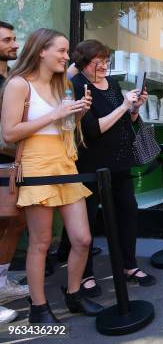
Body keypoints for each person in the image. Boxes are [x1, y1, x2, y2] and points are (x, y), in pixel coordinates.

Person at [1, 28, 103, 323]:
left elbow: (63, 127)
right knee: (41, 242)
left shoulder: (63, 85)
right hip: (37, 167)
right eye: (60, 50)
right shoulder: (19, 84)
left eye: (66, 50)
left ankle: (73, 294)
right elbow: (8, 134)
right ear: (41, 51)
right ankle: (39, 307)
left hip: (65, 163)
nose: (66, 56)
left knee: (82, 238)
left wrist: (78, 114)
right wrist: (56, 114)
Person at [68, 39, 156, 295]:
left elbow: (125, 122)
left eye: (107, 61)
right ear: (84, 64)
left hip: (120, 163)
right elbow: (92, 130)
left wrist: (135, 109)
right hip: (91, 165)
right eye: (99, 62)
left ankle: (129, 266)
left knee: (128, 211)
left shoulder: (113, 85)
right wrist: (123, 106)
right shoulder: (77, 87)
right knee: (88, 220)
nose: (105, 66)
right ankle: (85, 276)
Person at [0, 20, 29, 325]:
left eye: (15, 38)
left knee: (16, 221)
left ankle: (2, 282)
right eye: (8, 40)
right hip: (4, 156)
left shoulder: (12, 78)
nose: (15, 44)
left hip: (13, 159)